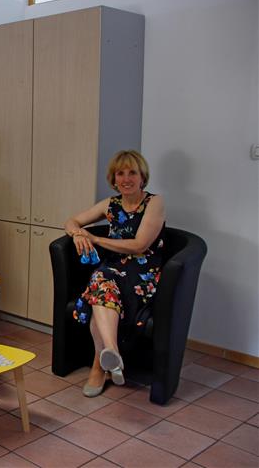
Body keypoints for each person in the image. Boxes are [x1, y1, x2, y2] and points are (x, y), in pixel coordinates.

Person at [64, 150, 165, 398]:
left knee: (100, 284)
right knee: (101, 281)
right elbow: (71, 221)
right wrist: (77, 233)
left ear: (143, 177)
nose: (126, 178)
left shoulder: (155, 203)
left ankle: (100, 366)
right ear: (114, 178)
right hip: (112, 270)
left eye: (132, 173)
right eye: (121, 173)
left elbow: (139, 245)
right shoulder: (111, 204)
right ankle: (113, 353)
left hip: (143, 273)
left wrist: (94, 238)